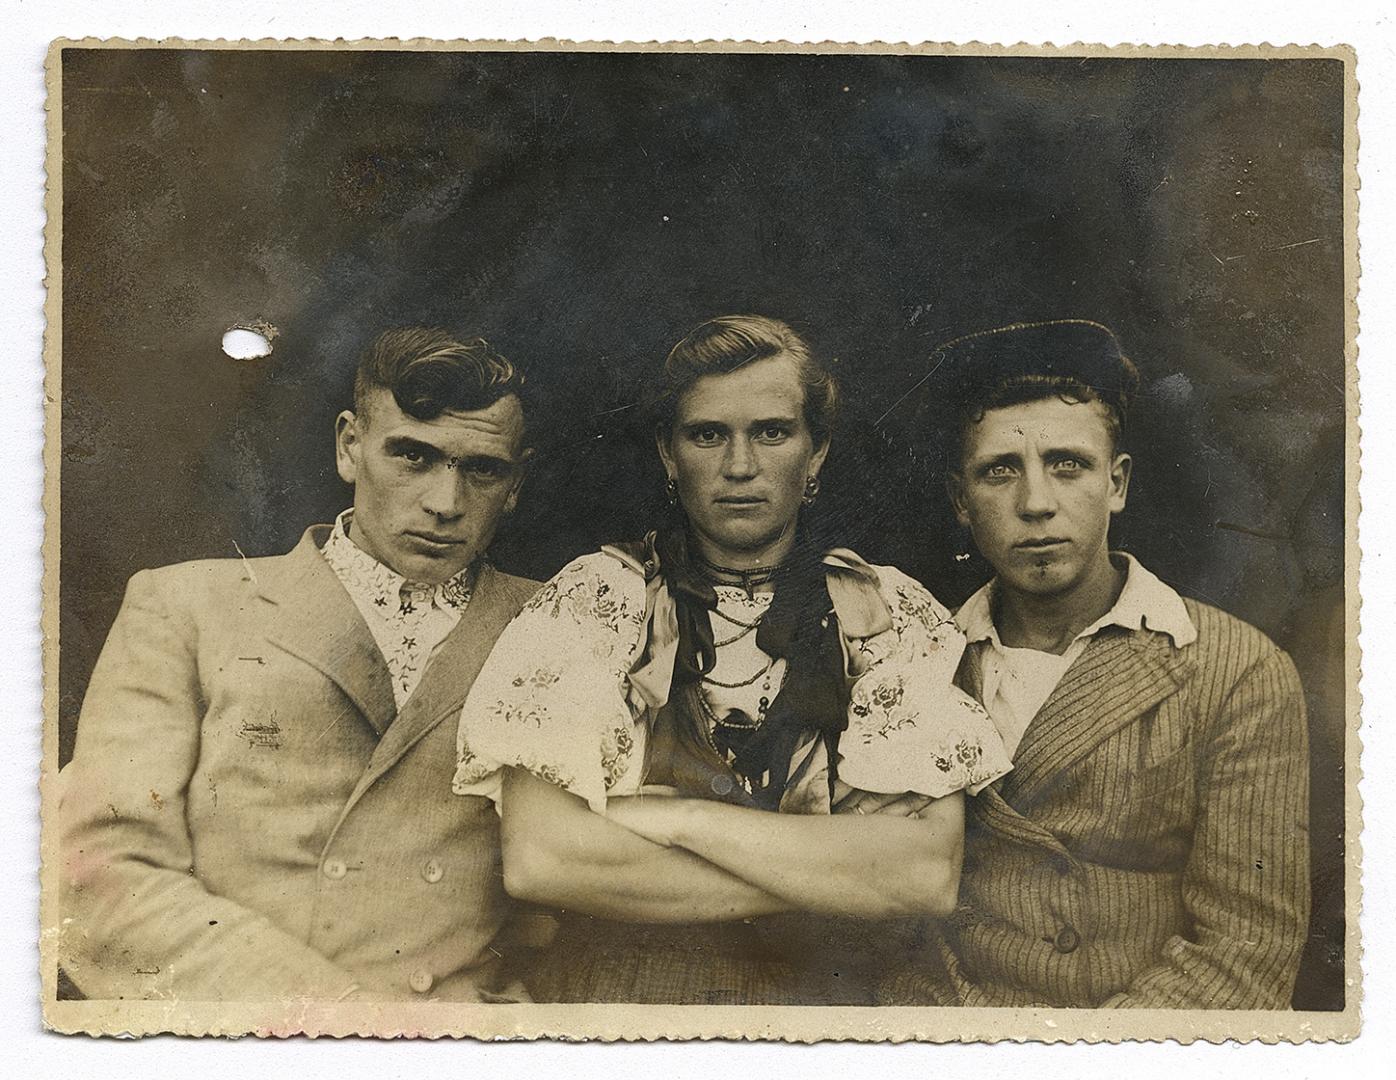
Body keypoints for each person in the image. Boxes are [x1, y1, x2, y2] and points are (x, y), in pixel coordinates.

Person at [454, 314, 1012, 1004]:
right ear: (668, 454)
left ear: (816, 453)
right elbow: (542, 860)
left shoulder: (886, 612)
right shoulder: (596, 600)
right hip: (621, 1007)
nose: (740, 466)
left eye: (772, 432)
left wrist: (678, 820)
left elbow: (924, 876)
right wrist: (833, 870)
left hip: (828, 1014)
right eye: (707, 434)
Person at [59, 327, 540, 1002]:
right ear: (350, 446)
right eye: (412, 455)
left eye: (482, 469)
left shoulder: (556, 623)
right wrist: (331, 1015)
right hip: (252, 1022)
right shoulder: (186, 606)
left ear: (515, 484)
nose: (445, 503)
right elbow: (100, 872)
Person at [897, 319, 1310, 1009]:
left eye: (1068, 465)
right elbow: (885, 929)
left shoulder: (1236, 670)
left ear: (1116, 483)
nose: (1036, 504)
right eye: (1000, 471)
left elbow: (1245, 953)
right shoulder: (914, 659)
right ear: (960, 501)